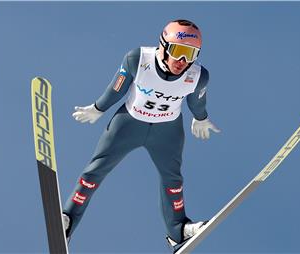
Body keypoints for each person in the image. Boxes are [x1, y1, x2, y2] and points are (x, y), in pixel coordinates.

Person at [62, 19, 220, 249]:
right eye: (178, 51)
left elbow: (197, 102)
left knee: (173, 180)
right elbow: (117, 88)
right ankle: (68, 218)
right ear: (163, 45)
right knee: (95, 170)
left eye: (191, 54)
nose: (183, 61)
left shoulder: (198, 75)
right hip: (129, 123)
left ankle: (178, 231)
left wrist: (201, 118)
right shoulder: (138, 58)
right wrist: (98, 108)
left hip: (167, 131)